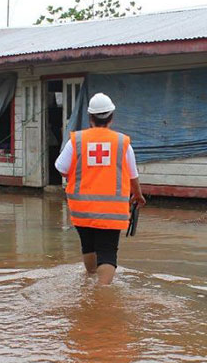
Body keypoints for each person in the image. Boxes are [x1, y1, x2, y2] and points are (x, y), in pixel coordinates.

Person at [55, 93, 146, 285]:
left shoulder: (76, 141)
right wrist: (138, 195)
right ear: (111, 117)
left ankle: (90, 282)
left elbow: (61, 168)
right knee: (107, 251)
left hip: (82, 209)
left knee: (88, 246)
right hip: (111, 211)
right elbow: (132, 175)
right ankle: (102, 295)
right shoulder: (122, 143)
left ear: (90, 118)